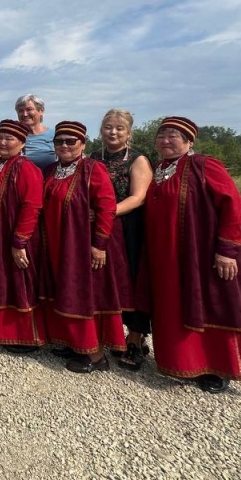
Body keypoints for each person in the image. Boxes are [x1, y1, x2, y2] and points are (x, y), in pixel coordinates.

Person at [139, 116, 241, 393]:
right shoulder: (160, 170)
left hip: (199, 253)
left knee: (210, 304)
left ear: (189, 141)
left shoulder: (204, 165)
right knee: (175, 306)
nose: (165, 140)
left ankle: (218, 367)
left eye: (173, 135)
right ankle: (181, 361)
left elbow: (234, 207)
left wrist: (226, 251)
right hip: (166, 255)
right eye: (161, 135)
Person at [41, 121, 130, 374]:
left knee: (84, 296)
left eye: (71, 141)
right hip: (57, 244)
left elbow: (106, 207)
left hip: (82, 245)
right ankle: (73, 343)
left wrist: (99, 245)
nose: (65, 145)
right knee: (64, 292)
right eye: (60, 141)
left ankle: (95, 354)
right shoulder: (50, 170)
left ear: (83, 144)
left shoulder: (93, 169)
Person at [90, 109, 153, 370]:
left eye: (118, 128)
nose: (112, 132)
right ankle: (106, 334)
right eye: (107, 127)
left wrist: (107, 212)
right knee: (103, 280)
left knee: (132, 281)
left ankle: (136, 338)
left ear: (129, 132)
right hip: (96, 225)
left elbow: (138, 197)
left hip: (128, 226)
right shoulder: (93, 158)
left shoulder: (137, 160)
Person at [0, 119, 46, 352]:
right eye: (0, 137)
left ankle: (24, 336)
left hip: (15, 236)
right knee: (0, 281)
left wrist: (19, 241)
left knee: (19, 283)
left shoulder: (25, 168)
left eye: (9, 139)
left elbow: (32, 206)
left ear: (22, 143)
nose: (3, 142)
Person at [15, 95, 55, 169]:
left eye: (29, 109)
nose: (25, 114)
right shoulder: (14, 137)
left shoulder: (54, 135)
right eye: (20, 111)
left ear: (41, 111)